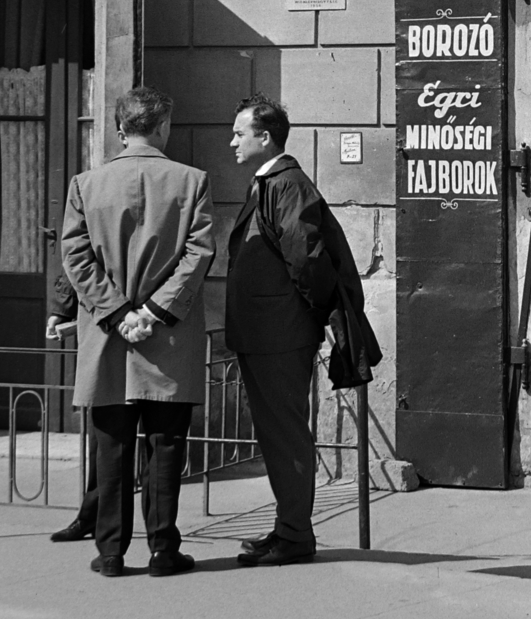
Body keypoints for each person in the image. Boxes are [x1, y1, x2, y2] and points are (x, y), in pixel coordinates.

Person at [59, 86, 215, 579]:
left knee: (112, 448)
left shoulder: (86, 184)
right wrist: (152, 311)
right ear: (163, 127)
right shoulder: (192, 181)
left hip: (108, 337)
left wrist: (117, 311)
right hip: (167, 337)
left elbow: (75, 258)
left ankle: (110, 553)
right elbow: (199, 253)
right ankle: (163, 550)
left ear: (119, 128)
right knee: (166, 446)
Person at [226, 95, 364, 568]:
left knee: (284, 433)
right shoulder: (272, 184)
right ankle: (288, 527)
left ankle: (295, 535)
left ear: (265, 138)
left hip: (279, 335)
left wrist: (310, 314)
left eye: (240, 133)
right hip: (269, 333)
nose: (233, 142)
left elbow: (307, 259)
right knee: (277, 433)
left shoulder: (286, 185)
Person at [44, 274, 98, 544]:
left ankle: (160, 538)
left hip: (149, 317)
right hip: (104, 316)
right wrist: (62, 309)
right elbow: (77, 249)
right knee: (104, 436)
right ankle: (95, 517)